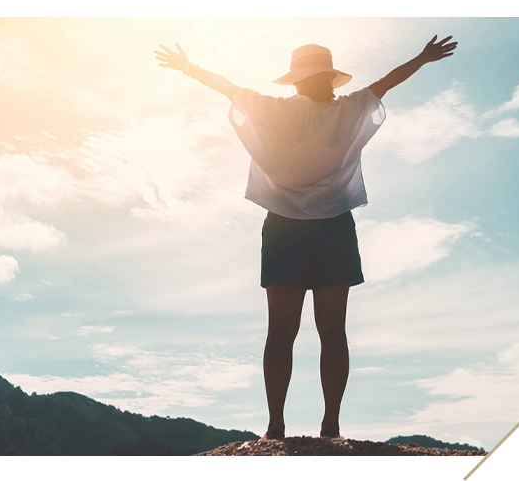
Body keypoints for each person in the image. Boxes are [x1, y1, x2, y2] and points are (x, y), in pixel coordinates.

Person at [155, 35, 457, 440]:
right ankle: (330, 425)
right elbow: (387, 82)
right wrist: (422, 58)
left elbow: (226, 87)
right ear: (331, 79)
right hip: (333, 224)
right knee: (333, 329)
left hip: (283, 226)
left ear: (295, 81)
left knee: (281, 329)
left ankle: (275, 426)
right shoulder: (348, 109)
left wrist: (189, 68)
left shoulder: (272, 109)